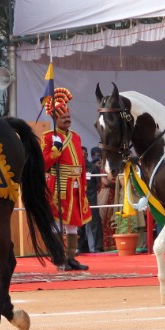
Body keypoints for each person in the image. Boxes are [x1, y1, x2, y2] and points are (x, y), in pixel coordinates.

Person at [42, 88, 91, 271]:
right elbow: (44, 164)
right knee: (56, 222)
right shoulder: (48, 137)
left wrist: (84, 187)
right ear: (55, 119)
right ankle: (58, 258)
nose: (67, 120)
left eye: (68, 117)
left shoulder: (76, 137)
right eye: (63, 118)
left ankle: (71, 257)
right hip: (59, 184)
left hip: (76, 185)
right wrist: (55, 151)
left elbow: (82, 165)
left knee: (73, 224)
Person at [85, 146, 103, 253]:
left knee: (94, 223)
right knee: (80, 225)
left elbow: (99, 183)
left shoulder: (93, 167)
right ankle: (82, 247)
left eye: (85, 153)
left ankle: (97, 247)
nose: (83, 155)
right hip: (79, 198)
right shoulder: (76, 166)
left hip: (92, 198)